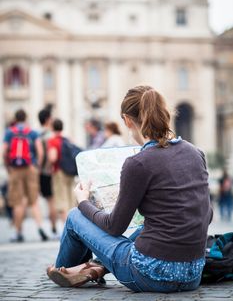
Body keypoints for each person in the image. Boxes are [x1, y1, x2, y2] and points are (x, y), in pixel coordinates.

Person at [47, 85, 213, 293]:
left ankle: (65, 270)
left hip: (151, 275)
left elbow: (114, 226)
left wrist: (83, 202)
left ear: (127, 120)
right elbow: (207, 215)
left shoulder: (138, 162)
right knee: (153, 226)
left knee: (74, 217)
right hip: (192, 274)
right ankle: (92, 267)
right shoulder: (196, 153)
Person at [3, 109, 48, 242]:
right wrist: (37, 166)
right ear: (26, 118)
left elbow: (3, 151)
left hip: (15, 170)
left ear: (15, 119)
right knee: (33, 201)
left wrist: (8, 167)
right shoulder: (32, 132)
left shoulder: (10, 132)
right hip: (30, 168)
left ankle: (18, 232)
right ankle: (40, 227)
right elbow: (40, 152)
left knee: (18, 202)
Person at [47, 119, 75, 223]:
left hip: (59, 172)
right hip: (70, 172)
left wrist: (49, 165)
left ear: (52, 127)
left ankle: (66, 226)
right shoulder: (67, 139)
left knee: (61, 199)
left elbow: (53, 157)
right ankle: (74, 223)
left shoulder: (53, 141)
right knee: (70, 199)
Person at [38, 107, 57, 237]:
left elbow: (39, 155)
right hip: (52, 171)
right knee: (53, 201)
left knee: (49, 201)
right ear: (48, 119)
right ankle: (54, 228)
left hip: (43, 172)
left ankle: (53, 228)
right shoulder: (52, 135)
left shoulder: (39, 135)